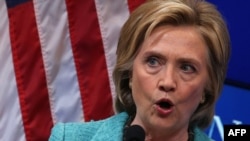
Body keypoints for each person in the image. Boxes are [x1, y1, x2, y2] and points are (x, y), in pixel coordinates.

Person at [49, 0, 230, 140]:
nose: (167, 82)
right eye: (153, 61)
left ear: (207, 88)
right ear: (129, 73)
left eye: (186, 68)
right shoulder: (68, 138)